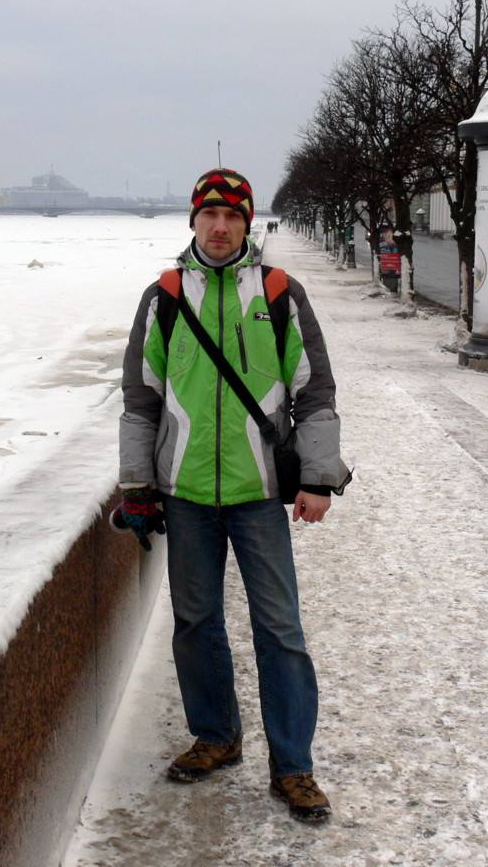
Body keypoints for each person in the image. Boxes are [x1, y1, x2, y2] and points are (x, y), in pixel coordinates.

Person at [117, 168, 350, 823]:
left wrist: (317, 477)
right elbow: (140, 400)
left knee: (281, 629)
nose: (220, 227)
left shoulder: (278, 292)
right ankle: (217, 735)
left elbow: (314, 390)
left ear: (248, 223)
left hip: (257, 493)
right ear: (193, 220)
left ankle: (293, 766)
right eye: (209, 215)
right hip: (186, 493)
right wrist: (137, 486)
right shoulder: (164, 298)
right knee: (195, 624)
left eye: (232, 216)